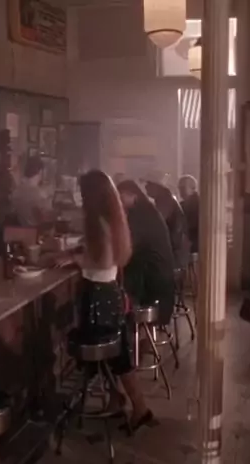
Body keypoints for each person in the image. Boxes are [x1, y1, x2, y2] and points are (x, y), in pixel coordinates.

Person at [57, 170, 153, 429]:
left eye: (83, 192)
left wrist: (75, 259)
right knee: (116, 355)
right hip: (110, 291)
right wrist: (81, 253)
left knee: (111, 356)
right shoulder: (114, 217)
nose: (80, 197)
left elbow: (101, 260)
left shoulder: (96, 220)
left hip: (98, 294)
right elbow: (108, 256)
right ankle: (122, 401)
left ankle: (137, 406)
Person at [116, 180, 177, 326]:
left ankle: (122, 332)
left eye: (121, 197)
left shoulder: (140, 215)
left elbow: (127, 247)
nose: (119, 202)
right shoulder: (146, 210)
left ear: (133, 195)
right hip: (160, 279)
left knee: (111, 292)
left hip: (153, 284)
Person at [145, 181, 190, 269]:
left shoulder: (164, 200)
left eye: (149, 184)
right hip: (175, 249)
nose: (146, 187)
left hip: (174, 251)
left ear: (157, 186)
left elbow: (156, 222)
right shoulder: (165, 198)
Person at [11, 155, 53, 227]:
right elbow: (48, 217)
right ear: (40, 172)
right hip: (36, 231)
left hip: (19, 231)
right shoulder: (39, 194)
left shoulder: (16, 192)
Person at [177, 175, 200, 254]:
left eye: (183, 188)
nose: (180, 191)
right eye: (179, 188)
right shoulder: (182, 204)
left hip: (194, 245)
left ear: (193, 188)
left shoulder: (199, 204)